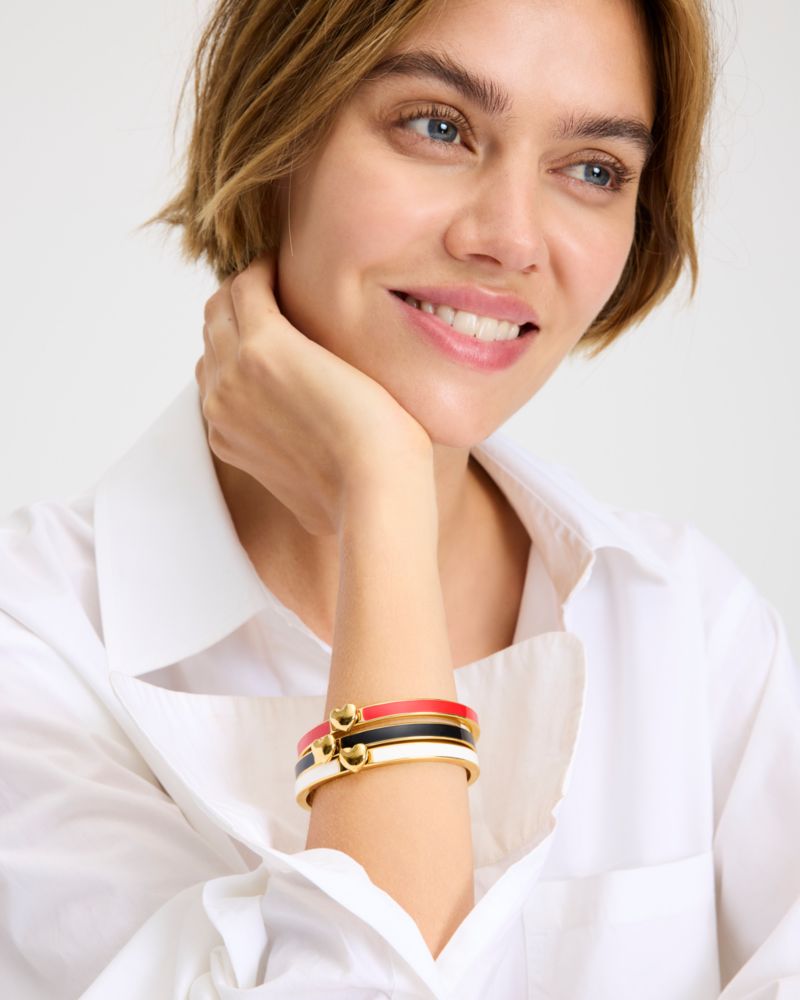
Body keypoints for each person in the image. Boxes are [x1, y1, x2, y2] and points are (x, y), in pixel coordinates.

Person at [1, 0, 798, 997]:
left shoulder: (688, 626)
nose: (509, 238)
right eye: (436, 125)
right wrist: (381, 504)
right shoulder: (34, 646)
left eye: (593, 169)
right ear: (278, 131)